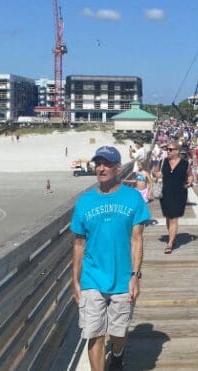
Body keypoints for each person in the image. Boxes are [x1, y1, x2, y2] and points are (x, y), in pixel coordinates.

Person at [71, 146, 151, 371]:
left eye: (107, 164)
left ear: (117, 168)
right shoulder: (84, 202)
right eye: (98, 163)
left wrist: (135, 276)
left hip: (123, 276)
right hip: (91, 277)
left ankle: (117, 352)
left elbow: (137, 239)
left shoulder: (133, 197)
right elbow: (78, 243)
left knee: (118, 332)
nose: (101, 168)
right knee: (94, 333)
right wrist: (75, 280)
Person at [155, 140, 193, 254]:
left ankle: (170, 243)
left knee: (174, 218)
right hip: (165, 193)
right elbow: (155, 171)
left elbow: (190, 175)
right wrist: (157, 174)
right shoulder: (163, 161)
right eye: (167, 149)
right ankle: (172, 236)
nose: (168, 151)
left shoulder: (185, 163)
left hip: (179, 193)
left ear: (177, 151)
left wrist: (190, 182)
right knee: (168, 217)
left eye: (171, 149)